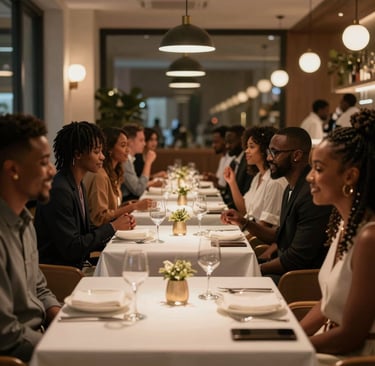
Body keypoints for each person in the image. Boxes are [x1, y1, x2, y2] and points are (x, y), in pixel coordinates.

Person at [301, 108, 375, 365]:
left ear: (350, 176)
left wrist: (292, 349)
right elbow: (328, 304)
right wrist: (293, 335)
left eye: (318, 169)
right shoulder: (347, 225)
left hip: (353, 358)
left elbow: (351, 336)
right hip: (330, 345)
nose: (310, 177)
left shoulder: (370, 237)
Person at [221, 127, 332, 283]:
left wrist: (257, 268)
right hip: (285, 269)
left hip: (298, 280)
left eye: (274, 152)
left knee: (231, 275)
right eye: (268, 152)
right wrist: (244, 222)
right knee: (226, 267)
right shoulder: (290, 188)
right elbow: (281, 236)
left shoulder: (311, 195)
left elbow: (296, 258)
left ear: (296, 156)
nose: (269, 158)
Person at [0, 114, 60, 362]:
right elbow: (6, 335)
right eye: (44, 162)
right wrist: (62, 343)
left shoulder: (25, 221)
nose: (53, 171)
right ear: (13, 169)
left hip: (43, 337)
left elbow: (39, 288)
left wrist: (62, 318)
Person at [34, 121, 136, 269]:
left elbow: (85, 234)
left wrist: (119, 228)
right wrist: (112, 227)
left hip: (76, 266)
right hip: (60, 273)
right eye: (96, 152)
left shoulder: (77, 184)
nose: (102, 157)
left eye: (101, 151)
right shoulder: (60, 189)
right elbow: (72, 248)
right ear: (78, 154)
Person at [83, 127, 153, 227]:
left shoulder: (115, 172)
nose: (128, 150)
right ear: (110, 149)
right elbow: (99, 218)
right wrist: (134, 206)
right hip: (102, 235)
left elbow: (112, 208)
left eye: (128, 145)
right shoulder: (100, 175)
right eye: (123, 145)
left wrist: (128, 205)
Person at [222, 126, 287, 229]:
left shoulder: (275, 182)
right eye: (246, 147)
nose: (246, 151)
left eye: (251, 147)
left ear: (265, 149)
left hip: (258, 242)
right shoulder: (258, 176)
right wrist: (232, 182)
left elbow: (264, 228)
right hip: (248, 233)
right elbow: (244, 210)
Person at [121, 124, 162, 202]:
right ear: (129, 142)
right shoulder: (125, 162)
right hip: (127, 203)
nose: (144, 143)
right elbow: (138, 190)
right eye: (141, 140)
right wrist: (148, 162)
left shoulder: (130, 159)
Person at [221, 125, 252, 208]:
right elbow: (228, 193)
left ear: (242, 141)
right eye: (226, 142)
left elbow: (244, 196)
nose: (227, 146)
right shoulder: (234, 162)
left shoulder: (249, 164)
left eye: (231, 142)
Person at [202, 125, 233, 190]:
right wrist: (213, 178)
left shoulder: (231, 159)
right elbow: (220, 182)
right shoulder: (223, 157)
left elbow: (226, 187)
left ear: (225, 140)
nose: (213, 145)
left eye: (216, 142)